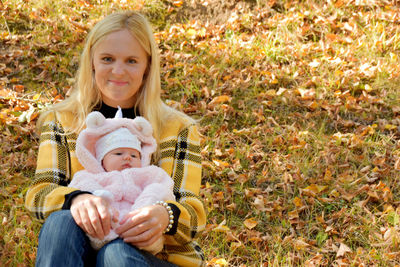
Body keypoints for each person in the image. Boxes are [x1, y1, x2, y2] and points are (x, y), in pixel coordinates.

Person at [25, 10, 206, 267]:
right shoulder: (63, 121)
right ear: (92, 62)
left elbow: (193, 214)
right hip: (81, 251)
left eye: (131, 60)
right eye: (108, 58)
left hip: (155, 258)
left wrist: (165, 216)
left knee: (115, 254)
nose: (118, 71)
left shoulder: (176, 128)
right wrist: (76, 199)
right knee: (59, 221)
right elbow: (40, 194)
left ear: (147, 67)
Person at [68, 109, 175, 254]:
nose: (127, 158)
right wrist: (96, 196)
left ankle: (138, 225)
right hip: (105, 227)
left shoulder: (147, 173)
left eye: (134, 155)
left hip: (139, 227)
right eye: (118, 153)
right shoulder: (92, 176)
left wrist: (155, 199)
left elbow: (163, 186)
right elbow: (80, 186)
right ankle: (106, 228)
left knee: (154, 190)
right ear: (101, 160)